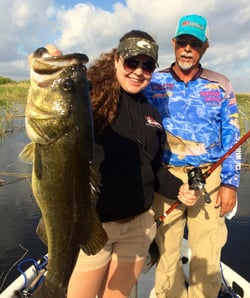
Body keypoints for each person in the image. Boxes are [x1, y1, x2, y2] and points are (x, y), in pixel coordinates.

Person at [64, 30, 199, 298]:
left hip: (138, 227)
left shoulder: (151, 114)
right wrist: (57, 68)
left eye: (147, 66)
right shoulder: (90, 101)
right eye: (131, 62)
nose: (139, 71)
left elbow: (154, 168)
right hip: (95, 226)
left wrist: (179, 190)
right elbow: (61, 102)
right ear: (116, 59)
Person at [144, 14, 241, 298]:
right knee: (166, 250)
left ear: (205, 48)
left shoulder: (221, 85)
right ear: (173, 43)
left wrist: (230, 184)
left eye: (195, 44)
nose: (188, 49)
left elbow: (231, 137)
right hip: (165, 178)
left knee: (207, 254)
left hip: (209, 178)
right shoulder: (153, 82)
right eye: (183, 42)